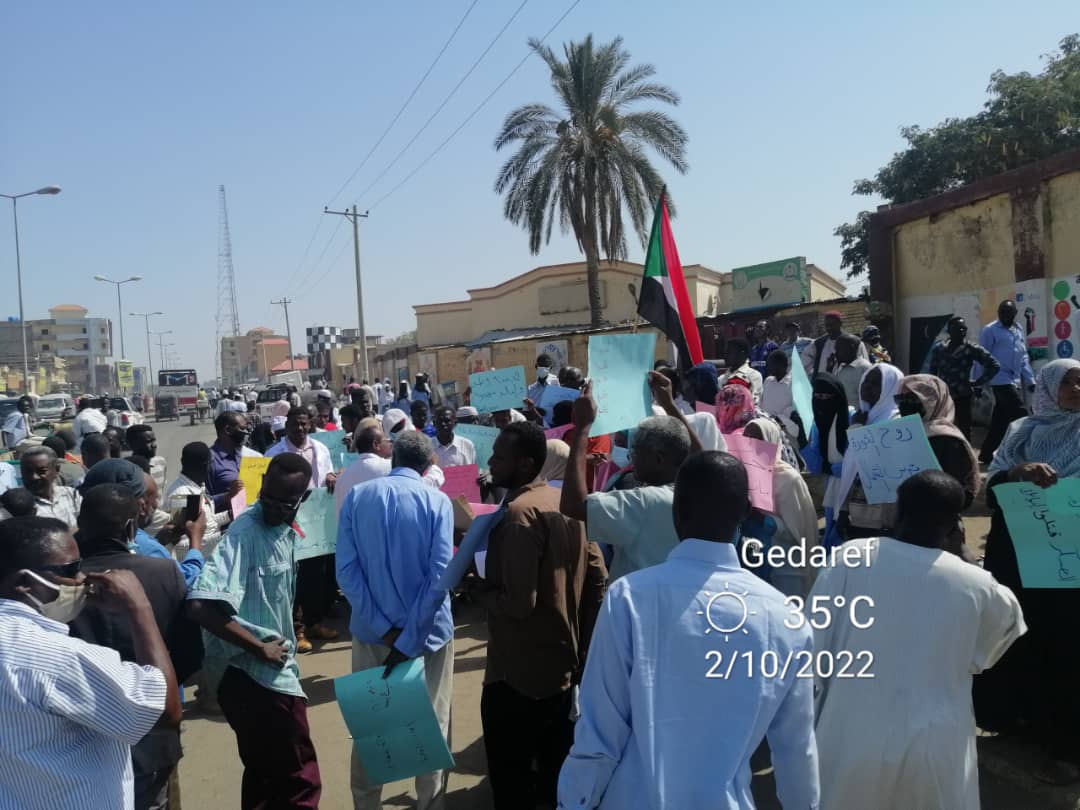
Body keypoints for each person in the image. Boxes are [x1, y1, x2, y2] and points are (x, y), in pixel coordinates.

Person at [557, 451, 818, 809]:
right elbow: (796, 751)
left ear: (676, 510)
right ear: (745, 512)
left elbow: (599, 734)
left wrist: (573, 803)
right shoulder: (787, 620)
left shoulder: (630, 598)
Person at [812, 470, 1025, 809]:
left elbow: (814, 645)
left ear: (898, 511)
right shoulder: (979, 586)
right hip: (935, 744)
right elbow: (998, 640)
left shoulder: (849, 557)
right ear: (956, 523)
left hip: (850, 732)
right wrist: (967, 557)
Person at [465, 422, 607, 809]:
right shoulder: (568, 504)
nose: (490, 462)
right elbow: (598, 580)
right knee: (553, 777)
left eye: (498, 456)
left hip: (517, 674)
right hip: (562, 668)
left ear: (526, 464)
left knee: (512, 783)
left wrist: (479, 590)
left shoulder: (518, 516)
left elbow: (518, 604)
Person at [0, 516, 181, 810]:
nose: (82, 579)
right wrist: (139, 607)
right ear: (23, 583)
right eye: (70, 569)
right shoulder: (55, 657)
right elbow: (164, 713)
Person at [187, 454, 321, 809]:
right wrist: (258, 647)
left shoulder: (285, 529)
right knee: (299, 779)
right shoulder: (244, 533)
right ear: (261, 489)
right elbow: (199, 605)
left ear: (300, 500)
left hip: (262, 676)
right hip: (259, 678)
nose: (273, 508)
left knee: (265, 777)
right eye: (268, 498)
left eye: (284, 503)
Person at [337, 431, 455, 809]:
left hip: (374, 636)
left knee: (374, 727)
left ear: (394, 457)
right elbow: (439, 577)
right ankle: (429, 803)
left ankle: (367, 804)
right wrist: (408, 636)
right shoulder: (437, 501)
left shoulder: (357, 498)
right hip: (428, 636)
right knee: (433, 724)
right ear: (429, 464)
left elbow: (347, 573)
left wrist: (386, 629)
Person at [975, 359, 1080, 780]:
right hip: (1017, 555)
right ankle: (1020, 723)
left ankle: (1068, 748)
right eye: (1069, 382)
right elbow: (992, 488)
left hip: (1066, 561)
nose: (1076, 388)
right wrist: (1019, 473)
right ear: (1048, 388)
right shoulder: (1021, 431)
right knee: (1018, 635)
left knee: (1065, 645)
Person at [69, 484, 203, 810]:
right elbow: (189, 656)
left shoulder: (62, 584)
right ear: (131, 527)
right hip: (155, 729)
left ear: (79, 524)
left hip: (86, 734)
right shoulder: (163, 572)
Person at [561, 376, 696, 582]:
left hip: (640, 606)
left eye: (636, 450)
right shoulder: (699, 492)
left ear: (658, 458)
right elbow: (701, 457)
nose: (631, 456)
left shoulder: (645, 502)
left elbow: (573, 505)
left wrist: (582, 428)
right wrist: (668, 404)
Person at [266, 408, 338, 651]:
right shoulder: (273, 454)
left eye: (304, 424)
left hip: (316, 523)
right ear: (286, 425)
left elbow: (327, 474)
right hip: (287, 522)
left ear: (310, 424)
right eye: (295, 424)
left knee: (315, 575)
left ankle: (315, 622)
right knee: (293, 577)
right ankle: (297, 629)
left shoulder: (321, 449)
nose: (300, 428)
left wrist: (331, 477)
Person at [741, 417, 819, 596]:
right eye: (747, 439)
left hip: (786, 567)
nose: (751, 444)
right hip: (754, 562)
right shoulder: (742, 474)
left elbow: (797, 532)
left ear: (770, 441)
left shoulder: (788, 479)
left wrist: (760, 518)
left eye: (757, 439)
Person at [836, 363, 905, 541]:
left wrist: (858, 429)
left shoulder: (896, 421)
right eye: (866, 381)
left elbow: (879, 462)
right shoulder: (862, 416)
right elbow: (851, 469)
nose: (867, 386)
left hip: (883, 515)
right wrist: (843, 509)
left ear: (891, 386)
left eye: (875, 383)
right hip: (856, 509)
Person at [896, 375, 981, 515]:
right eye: (900, 399)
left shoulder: (947, 440)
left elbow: (959, 491)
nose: (904, 404)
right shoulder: (900, 433)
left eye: (912, 398)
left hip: (936, 524)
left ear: (934, 401)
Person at [978, 299, 1036, 463]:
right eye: (1001, 312)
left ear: (1014, 314)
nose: (1004, 315)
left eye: (1008, 312)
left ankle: (986, 454)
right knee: (1021, 414)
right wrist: (976, 380)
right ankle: (1028, 453)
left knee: (1000, 420)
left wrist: (1030, 379)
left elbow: (1023, 356)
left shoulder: (1018, 330)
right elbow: (981, 356)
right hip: (999, 378)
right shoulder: (990, 330)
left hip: (1015, 378)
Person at [929, 316, 1000, 439]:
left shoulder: (971, 348)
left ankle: (965, 455)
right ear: (950, 330)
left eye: (964, 328)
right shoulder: (939, 349)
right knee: (943, 427)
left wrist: (978, 382)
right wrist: (934, 391)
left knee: (964, 427)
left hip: (963, 395)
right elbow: (932, 372)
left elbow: (994, 365)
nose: (962, 331)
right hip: (944, 395)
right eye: (958, 328)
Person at [164, 442, 229, 559]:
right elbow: (181, 545)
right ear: (205, 465)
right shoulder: (182, 495)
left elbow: (208, 523)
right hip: (196, 566)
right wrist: (223, 535)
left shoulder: (197, 487)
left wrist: (230, 515)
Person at [334, 418, 393, 512]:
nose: (390, 443)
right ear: (376, 445)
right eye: (386, 440)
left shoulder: (343, 478)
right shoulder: (392, 468)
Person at [206, 411, 260, 513]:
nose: (247, 433)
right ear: (227, 430)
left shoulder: (248, 455)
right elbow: (202, 502)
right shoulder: (209, 461)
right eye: (242, 429)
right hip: (225, 525)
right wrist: (228, 496)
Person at [20, 446, 81, 529]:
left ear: (56, 470)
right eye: (27, 471)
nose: (34, 477)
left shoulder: (71, 495)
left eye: (41, 471)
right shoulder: (19, 506)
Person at [802, 309, 869, 377]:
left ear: (840, 323)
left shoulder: (854, 342)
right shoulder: (818, 344)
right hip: (825, 383)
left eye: (832, 325)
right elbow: (804, 364)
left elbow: (864, 365)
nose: (829, 328)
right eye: (826, 325)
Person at [760, 349, 798, 441]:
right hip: (766, 429)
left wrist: (777, 419)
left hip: (785, 431)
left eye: (771, 364)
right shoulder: (768, 381)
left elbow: (794, 409)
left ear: (780, 365)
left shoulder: (793, 384)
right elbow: (761, 402)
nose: (768, 367)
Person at [833, 333, 872, 408]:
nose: (836, 353)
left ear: (851, 348)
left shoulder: (865, 368)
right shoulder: (840, 368)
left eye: (839, 349)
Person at [720, 338, 762, 404]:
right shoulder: (721, 378)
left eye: (729, 352)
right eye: (725, 352)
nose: (725, 356)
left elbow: (754, 403)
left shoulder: (753, 376)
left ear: (742, 354)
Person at [127, 425, 167, 493]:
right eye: (148, 442)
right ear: (131, 444)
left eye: (154, 440)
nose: (154, 445)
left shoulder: (161, 462)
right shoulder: (125, 469)